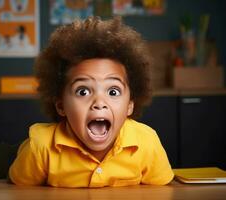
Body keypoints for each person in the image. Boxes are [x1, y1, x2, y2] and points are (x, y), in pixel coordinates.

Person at [9, 16, 174, 187]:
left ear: (130, 105)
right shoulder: (41, 147)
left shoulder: (146, 143)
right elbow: (19, 192)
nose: (99, 102)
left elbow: (163, 193)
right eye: (83, 91)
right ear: (61, 105)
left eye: (113, 91)